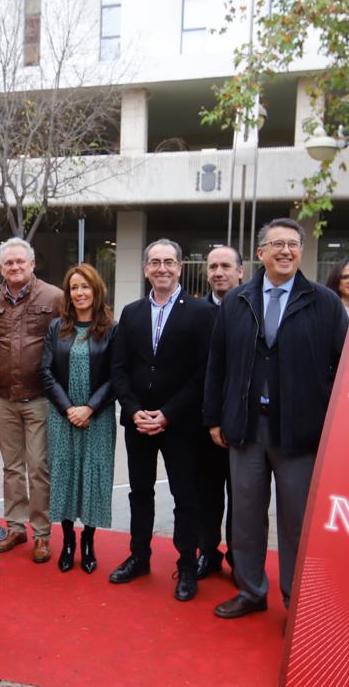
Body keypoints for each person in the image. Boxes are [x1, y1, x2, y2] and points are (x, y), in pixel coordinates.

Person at [204, 218, 348, 621]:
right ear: (261, 252)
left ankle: (296, 600)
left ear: (301, 251)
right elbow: (217, 363)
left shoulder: (324, 302)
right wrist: (214, 417)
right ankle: (250, 591)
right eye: (277, 244)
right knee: (246, 516)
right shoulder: (237, 301)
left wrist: (332, 417)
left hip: (299, 431)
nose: (286, 251)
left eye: (293, 244)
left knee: (296, 522)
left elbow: (346, 365)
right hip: (246, 427)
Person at [109, 239, 213, 602]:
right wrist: (133, 408)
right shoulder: (132, 311)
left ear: (180, 267)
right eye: (155, 262)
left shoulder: (201, 313)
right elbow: (119, 367)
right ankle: (139, 557)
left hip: (180, 424)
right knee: (141, 493)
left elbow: (203, 374)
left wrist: (168, 414)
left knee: (185, 496)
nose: (162, 268)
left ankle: (186, 566)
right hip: (138, 421)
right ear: (145, 269)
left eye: (169, 262)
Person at [0, 238, 64, 562]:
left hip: (41, 397)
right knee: (12, 468)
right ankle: (15, 526)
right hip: (3, 397)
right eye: (8, 263)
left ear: (31, 264)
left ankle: (41, 533)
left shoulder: (54, 297)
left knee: (39, 468)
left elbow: (65, 342)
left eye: (20, 262)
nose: (15, 267)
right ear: (1, 267)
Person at [39, 264, 117, 574]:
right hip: (62, 415)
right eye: (74, 287)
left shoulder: (112, 328)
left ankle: (89, 541)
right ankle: (68, 539)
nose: (80, 293)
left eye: (85, 287)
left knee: (94, 476)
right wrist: (69, 407)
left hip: (98, 417)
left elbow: (116, 375)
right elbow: (45, 371)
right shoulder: (57, 327)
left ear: (97, 291)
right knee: (65, 474)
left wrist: (90, 408)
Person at [199, 245, 243, 580]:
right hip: (204, 422)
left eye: (225, 266)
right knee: (208, 493)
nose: (218, 272)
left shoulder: (252, 308)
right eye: (213, 266)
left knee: (243, 498)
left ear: (240, 271)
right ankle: (208, 552)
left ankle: (240, 559)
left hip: (244, 422)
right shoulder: (196, 312)